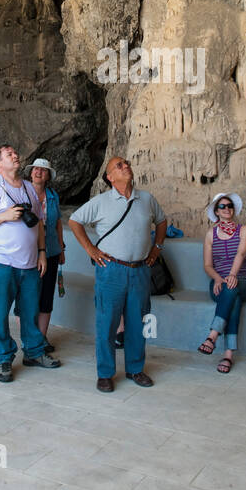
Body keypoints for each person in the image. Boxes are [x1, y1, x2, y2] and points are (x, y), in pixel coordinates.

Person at [68, 156, 167, 393]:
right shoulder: (101, 202)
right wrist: (91, 249)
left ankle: (135, 368)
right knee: (107, 323)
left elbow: (162, 222)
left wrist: (157, 248)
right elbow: (74, 221)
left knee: (139, 322)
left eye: (126, 163)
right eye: (119, 166)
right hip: (111, 270)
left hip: (140, 269)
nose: (126, 166)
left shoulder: (147, 199)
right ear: (110, 177)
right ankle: (105, 373)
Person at [0, 145, 61, 382]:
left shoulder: (30, 189)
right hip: (2, 263)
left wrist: (42, 252)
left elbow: (40, 223)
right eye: (8, 154)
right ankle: (4, 358)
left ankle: (33, 352)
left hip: (30, 263)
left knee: (30, 311)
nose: (14, 155)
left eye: (14, 152)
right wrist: (3, 216)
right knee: (0, 313)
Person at [196, 192, 246, 374]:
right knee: (231, 295)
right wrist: (218, 278)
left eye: (229, 205)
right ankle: (228, 354)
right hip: (219, 282)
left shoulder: (244, 229)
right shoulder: (210, 234)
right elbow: (207, 265)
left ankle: (212, 335)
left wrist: (232, 275)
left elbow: (241, 254)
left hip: (244, 280)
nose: (227, 208)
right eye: (222, 206)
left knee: (233, 286)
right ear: (216, 211)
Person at [19, 158, 64, 353]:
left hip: (51, 250)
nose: (39, 172)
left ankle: (42, 337)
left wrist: (61, 248)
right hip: (28, 251)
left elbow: (58, 223)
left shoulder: (52, 196)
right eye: (36, 169)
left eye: (43, 170)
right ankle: (30, 337)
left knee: (46, 295)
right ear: (30, 173)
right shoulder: (21, 193)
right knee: (28, 295)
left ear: (48, 176)